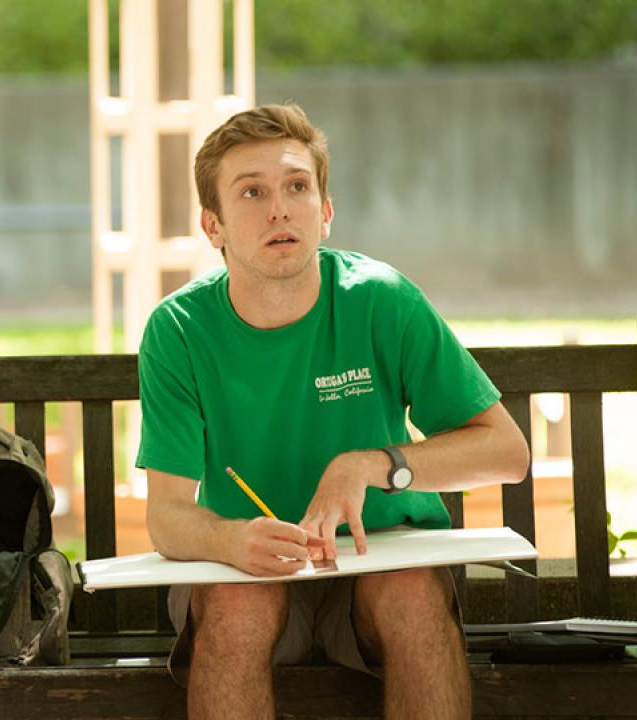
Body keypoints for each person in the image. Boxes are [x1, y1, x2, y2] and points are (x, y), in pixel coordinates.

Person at [138, 104, 530, 720]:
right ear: (212, 226)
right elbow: (166, 515)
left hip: (382, 559)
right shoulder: (179, 329)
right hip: (250, 569)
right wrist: (230, 539)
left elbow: (506, 452)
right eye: (252, 192)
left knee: (410, 595)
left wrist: (377, 465)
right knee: (238, 606)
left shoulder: (381, 299)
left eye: (297, 186)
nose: (279, 209)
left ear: (325, 211)